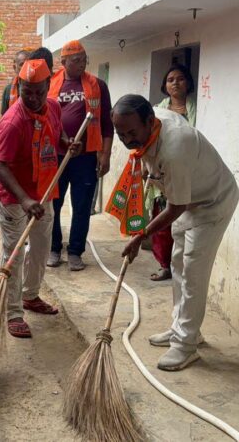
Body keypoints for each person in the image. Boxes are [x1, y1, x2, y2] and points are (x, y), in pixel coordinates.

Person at [110, 94, 237, 371]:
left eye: (131, 133)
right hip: (185, 198)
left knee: (193, 272)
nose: (127, 139)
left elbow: (176, 207)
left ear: (149, 121)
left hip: (211, 202)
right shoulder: (151, 122)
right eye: (120, 133)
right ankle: (184, 328)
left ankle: (185, 346)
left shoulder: (175, 148)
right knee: (178, 263)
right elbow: (175, 199)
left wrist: (140, 236)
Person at [0, 59, 82, 338]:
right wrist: (23, 200)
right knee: (15, 254)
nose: (33, 98)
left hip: (45, 191)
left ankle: (30, 296)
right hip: (15, 198)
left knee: (41, 249)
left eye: (39, 92)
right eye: (27, 92)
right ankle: (13, 312)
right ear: (19, 86)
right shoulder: (13, 122)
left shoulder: (53, 106)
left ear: (48, 86)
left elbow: (58, 131)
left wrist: (67, 142)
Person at [47, 40, 113, 271]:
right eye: (76, 60)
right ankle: (54, 248)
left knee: (82, 206)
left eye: (84, 59)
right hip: (56, 155)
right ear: (63, 62)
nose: (82, 64)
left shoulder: (98, 85)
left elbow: (107, 124)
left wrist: (106, 155)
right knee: (53, 205)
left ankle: (75, 251)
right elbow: (46, 118)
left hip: (86, 157)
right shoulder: (51, 83)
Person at [148, 64, 198, 281]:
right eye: (170, 80)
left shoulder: (198, 109)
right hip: (164, 169)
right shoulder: (157, 111)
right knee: (163, 218)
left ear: (188, 83)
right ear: (165, 86)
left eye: (180, 79)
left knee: (187, 219)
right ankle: (164, 265)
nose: (175, 83)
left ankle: (183, 264)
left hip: (191, 168)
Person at [1, 50, 30, 115]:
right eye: (22, 64)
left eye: (28, 64)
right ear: (14, 67)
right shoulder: (8, 89)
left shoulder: (37, 87)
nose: (25, 67)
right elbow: (4, 115)